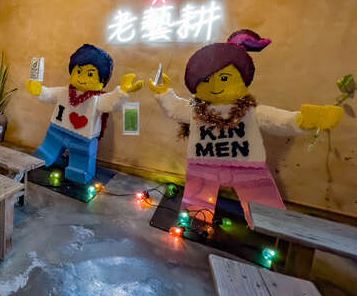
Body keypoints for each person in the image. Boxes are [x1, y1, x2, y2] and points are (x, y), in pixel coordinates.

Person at [148, 29, 343, 227]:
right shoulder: (196, 111)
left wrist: (304, 120)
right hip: (204, 165)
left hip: (247, 167)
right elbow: (175, 109)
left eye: (224, 78)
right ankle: (195, 223)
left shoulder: (249, 111)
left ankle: (272, 229)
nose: (215, 86)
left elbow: (276, 120)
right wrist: (163, 92)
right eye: (205, 80)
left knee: (264, 207)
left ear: (242, 78)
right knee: (196, 205)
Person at [27, 44, 143, 184]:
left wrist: (122, 92)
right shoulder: (64, 92)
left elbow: (112, 103)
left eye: (90, 74)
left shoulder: (97, 99)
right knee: (47, 151)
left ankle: (79, 172)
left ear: (102, 79)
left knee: (81, 161)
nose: (82, 78)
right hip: (57, 130)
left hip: (83, 137)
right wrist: (39, 90)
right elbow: (49, 94)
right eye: (79, 71)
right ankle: (46, 159)